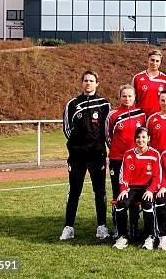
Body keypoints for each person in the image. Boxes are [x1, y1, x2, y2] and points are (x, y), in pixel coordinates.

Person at [60, 70, 111, 241]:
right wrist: (77, 146)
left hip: (97, 155)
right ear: (81, 83)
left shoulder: (104, 104)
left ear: (97, 83)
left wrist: (102, 147)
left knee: (100, 191)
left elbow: (107, 130)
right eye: (85, 80)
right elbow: (67, 129)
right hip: (77, 156)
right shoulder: (73, 104)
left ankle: (102, 227)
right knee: (74, 191)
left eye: (91, 80)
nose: (88, 83)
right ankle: (69, 227)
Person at [105, 84, 146, 232]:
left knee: (133, 193)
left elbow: (144, 137)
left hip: (136, 160)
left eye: (130, 96)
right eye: (124, 96)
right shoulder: (113, 115)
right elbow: (108, 136)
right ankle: (118, 227)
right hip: (117, 159)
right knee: (118, 193)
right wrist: (117, 150)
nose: (127, 98)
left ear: (135, 97)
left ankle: (134, 225)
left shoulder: (141, 114)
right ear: (120, 97)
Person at [112, 127, 161, 250]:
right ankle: (122, 236)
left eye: (144, 137)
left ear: (148, 138)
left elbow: (157, 177)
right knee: (120, 203)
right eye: (138, 137)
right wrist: (123, 189)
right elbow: (124, 175)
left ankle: (150, 236)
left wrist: (150, 190)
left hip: (147, 187)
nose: (141, 140)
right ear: (135, 139)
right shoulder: (128, 154)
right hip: (132, 188)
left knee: (148, 203)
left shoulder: (155, 154)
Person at [132, 49, 166, 117]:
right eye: (152, 60)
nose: (154, 63)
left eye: (157, 61)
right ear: (148, 60)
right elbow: (132, 100)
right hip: (140, 116)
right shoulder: (137, 78)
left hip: (158, 117)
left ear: (160, 62)